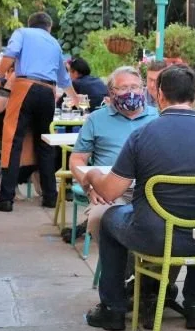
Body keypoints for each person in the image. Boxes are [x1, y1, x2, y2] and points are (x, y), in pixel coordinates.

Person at [82, 64, 195, 331]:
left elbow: (111, 192)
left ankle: (113, 309)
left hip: (154, 236)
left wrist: (91, 175)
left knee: (109, 217)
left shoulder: (142, 136)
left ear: (159, 95)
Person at [0, 12, 78, 213]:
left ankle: (6, 197)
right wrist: (75, 97)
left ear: (30, 23)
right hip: (49, 91)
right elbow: (63, 78)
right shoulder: (54, 43)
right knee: (45, 142)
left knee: (13, 141)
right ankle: (50, 196)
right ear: (49, 27)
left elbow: (10, 54)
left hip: (25, 86)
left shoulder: (22, 32)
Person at [66, 66, 158, 242]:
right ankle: (114, 265)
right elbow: (77, 159)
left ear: (143, 89)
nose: (130, 92)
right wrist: (89, 186)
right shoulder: (96, 119)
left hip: (151, 190)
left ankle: (138, 264)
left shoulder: (158, 117)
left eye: (135, 87)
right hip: (110, 191)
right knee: (98, 218)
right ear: (111, 92)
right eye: (123, 88)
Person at [0, 66, 40, 195]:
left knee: (49, 145)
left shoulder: (28, 90)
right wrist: (10, 85)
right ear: (8, 73)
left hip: (29, 131)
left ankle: (43, 185)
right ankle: (14, 185)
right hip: (10, 134)